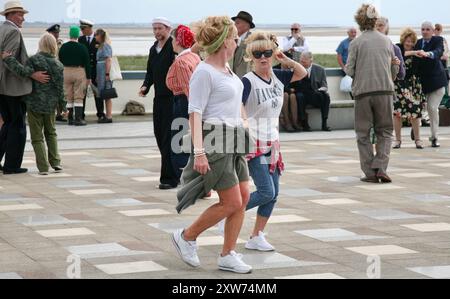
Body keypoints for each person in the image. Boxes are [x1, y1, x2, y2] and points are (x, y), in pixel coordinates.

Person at [172, 16, 253, 274]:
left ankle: (228, 254)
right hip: (215, 140)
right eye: (233, 37)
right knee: (230, 202)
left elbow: (236, 102)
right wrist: (199, 152)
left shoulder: (228, 70)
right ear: (222, 42)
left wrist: (245, 126)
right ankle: (186, 236)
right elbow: (194, 112)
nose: (236, 40)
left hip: (235, 138)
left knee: (243, 198)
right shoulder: (204, 72)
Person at [242, 32, 307, 252]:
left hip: (273, 142)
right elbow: (238, 107)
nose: (263, 57)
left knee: (274, 194)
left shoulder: (279, 76)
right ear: (251, 57)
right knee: (266, 191)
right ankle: (229, 211)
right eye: (257, 54)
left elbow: (302, 72)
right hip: (254, 143)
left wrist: (285, 59)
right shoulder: (247, 82)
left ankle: (256, 236)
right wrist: (244, 125)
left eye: (267, 53)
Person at [345, 4, 400, 184]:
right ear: (376, 20)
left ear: (359, 21)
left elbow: (350, 70)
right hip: (385, 91)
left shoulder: (356, 43)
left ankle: (369, 171)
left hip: (363, 92)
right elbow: (393, 70)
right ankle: (381, 167)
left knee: (363, 133)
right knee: (385, 130)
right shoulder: (386, 41)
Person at [2, 33, 65, 175]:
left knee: (37, 138)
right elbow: (61, 88)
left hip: (34, 104)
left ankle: (43, 168)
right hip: (50, 106)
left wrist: (8, 59)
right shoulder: (58, 65)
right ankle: (56, 163)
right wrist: (63, 106)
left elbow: (23, 72)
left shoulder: (34, 60)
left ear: (41, 44)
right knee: (51, 133)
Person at [0, 1, 49, 175]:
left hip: (2, 87)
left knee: (7, 124)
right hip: (14, 87)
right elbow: (10, 60)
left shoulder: (1, 29)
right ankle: (12, 165)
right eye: (20, 15)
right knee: (18, 126)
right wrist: (32, 74)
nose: (23, 19)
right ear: (11, 15)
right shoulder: (13, 31)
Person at [139, 17, 178, 190]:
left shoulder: (173, 47)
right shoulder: (153, 49)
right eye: (154, 29)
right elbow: (150, 72)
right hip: (159, 100)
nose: (156, 32)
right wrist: (145, 86)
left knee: (168, 138)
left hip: (173, 99)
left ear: (168, 29)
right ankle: (173, 172)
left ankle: (169, 178)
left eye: (160, 28)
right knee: (159, 134)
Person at [166, 25, 201, 182]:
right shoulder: (195, 57)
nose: (172, 42)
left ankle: (188, 179)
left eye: (173, 39)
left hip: (182, 103)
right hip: (186, 102)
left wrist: (192, 114)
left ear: (179, 41)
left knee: (179, 143)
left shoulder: (181, 62)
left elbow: (189, 90)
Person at [414, 21, 448, 148]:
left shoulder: (438, 40)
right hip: (422, 83)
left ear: (433, 31)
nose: (425, 31)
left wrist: (427, 54)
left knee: (432, 108)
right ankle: (416, 127)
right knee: (419, 109)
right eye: (423, 29)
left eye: (428, 29)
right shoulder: (417, 43)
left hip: (437, 82)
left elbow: (439, 51)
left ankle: (434, 137)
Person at [392, 28, 426, 150]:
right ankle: (397, 140)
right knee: (397, 113)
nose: (409, 44)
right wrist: (414, 52)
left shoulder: (417, 53)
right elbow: (399, 56)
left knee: (415, 113)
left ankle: (418, 139)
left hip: (413, 85)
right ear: (403, 40)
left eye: (412, 42)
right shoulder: (397, 48)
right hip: (399, 85)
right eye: (407, 41)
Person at [59, 26, 91, 126]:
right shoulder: (82, 47)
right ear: (78, 35)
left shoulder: (63, 46)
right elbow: (87, 63)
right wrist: (89, 77)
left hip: (66, 71)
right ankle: (78, 119)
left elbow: (60, 59)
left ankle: (70, 119)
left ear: (70, 34)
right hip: (79, 71)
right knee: (79, 96)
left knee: (68, 96)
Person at [294, 51, 332, 132]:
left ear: (311, 61)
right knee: (300, 96)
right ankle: (304, 123)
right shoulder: (297, 68)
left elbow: (324, 86)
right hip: (302, 93)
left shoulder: (320, 70)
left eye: (303, 62)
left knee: (326, 97)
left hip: (315, 93)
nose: (301, 63)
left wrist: (320, 90)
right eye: (301, 61)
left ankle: (324, 123)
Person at [79, 19, 106, 122]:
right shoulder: (80, 39)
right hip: (84, 71)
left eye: (83, 28)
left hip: (96, 71)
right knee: (82, 93)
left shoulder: (98, 39)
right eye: (81, 29)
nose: (82, 30)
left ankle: (100, 114)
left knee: (98, 94)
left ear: (90, 28)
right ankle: (81, 115)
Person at [46, 24, 66, 123]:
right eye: (55, 33)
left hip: (58, 71)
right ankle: (51, 114)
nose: (57, 35)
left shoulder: (60, 43)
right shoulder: (44, 43)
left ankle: (59, 113)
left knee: (59, 93)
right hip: (49, 71)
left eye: (57, 33)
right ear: (49, 33)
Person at [95, 29, 113, 123]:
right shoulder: (101, 46)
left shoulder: (105, 45)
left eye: (96, 35)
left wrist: (107, 73)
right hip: (101, 71)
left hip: (104, 72)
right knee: (104, 94)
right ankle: (107, 115)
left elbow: (108, 60)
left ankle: (109, 116)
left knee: (107, 94)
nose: (95, 37)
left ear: (100, 36)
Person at [232, 11, 255, 78]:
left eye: (237, 23)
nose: (234, 25)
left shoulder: (253, 40)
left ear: (247, 26)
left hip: (246, 79)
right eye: (234, 23)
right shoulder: (231, 39)